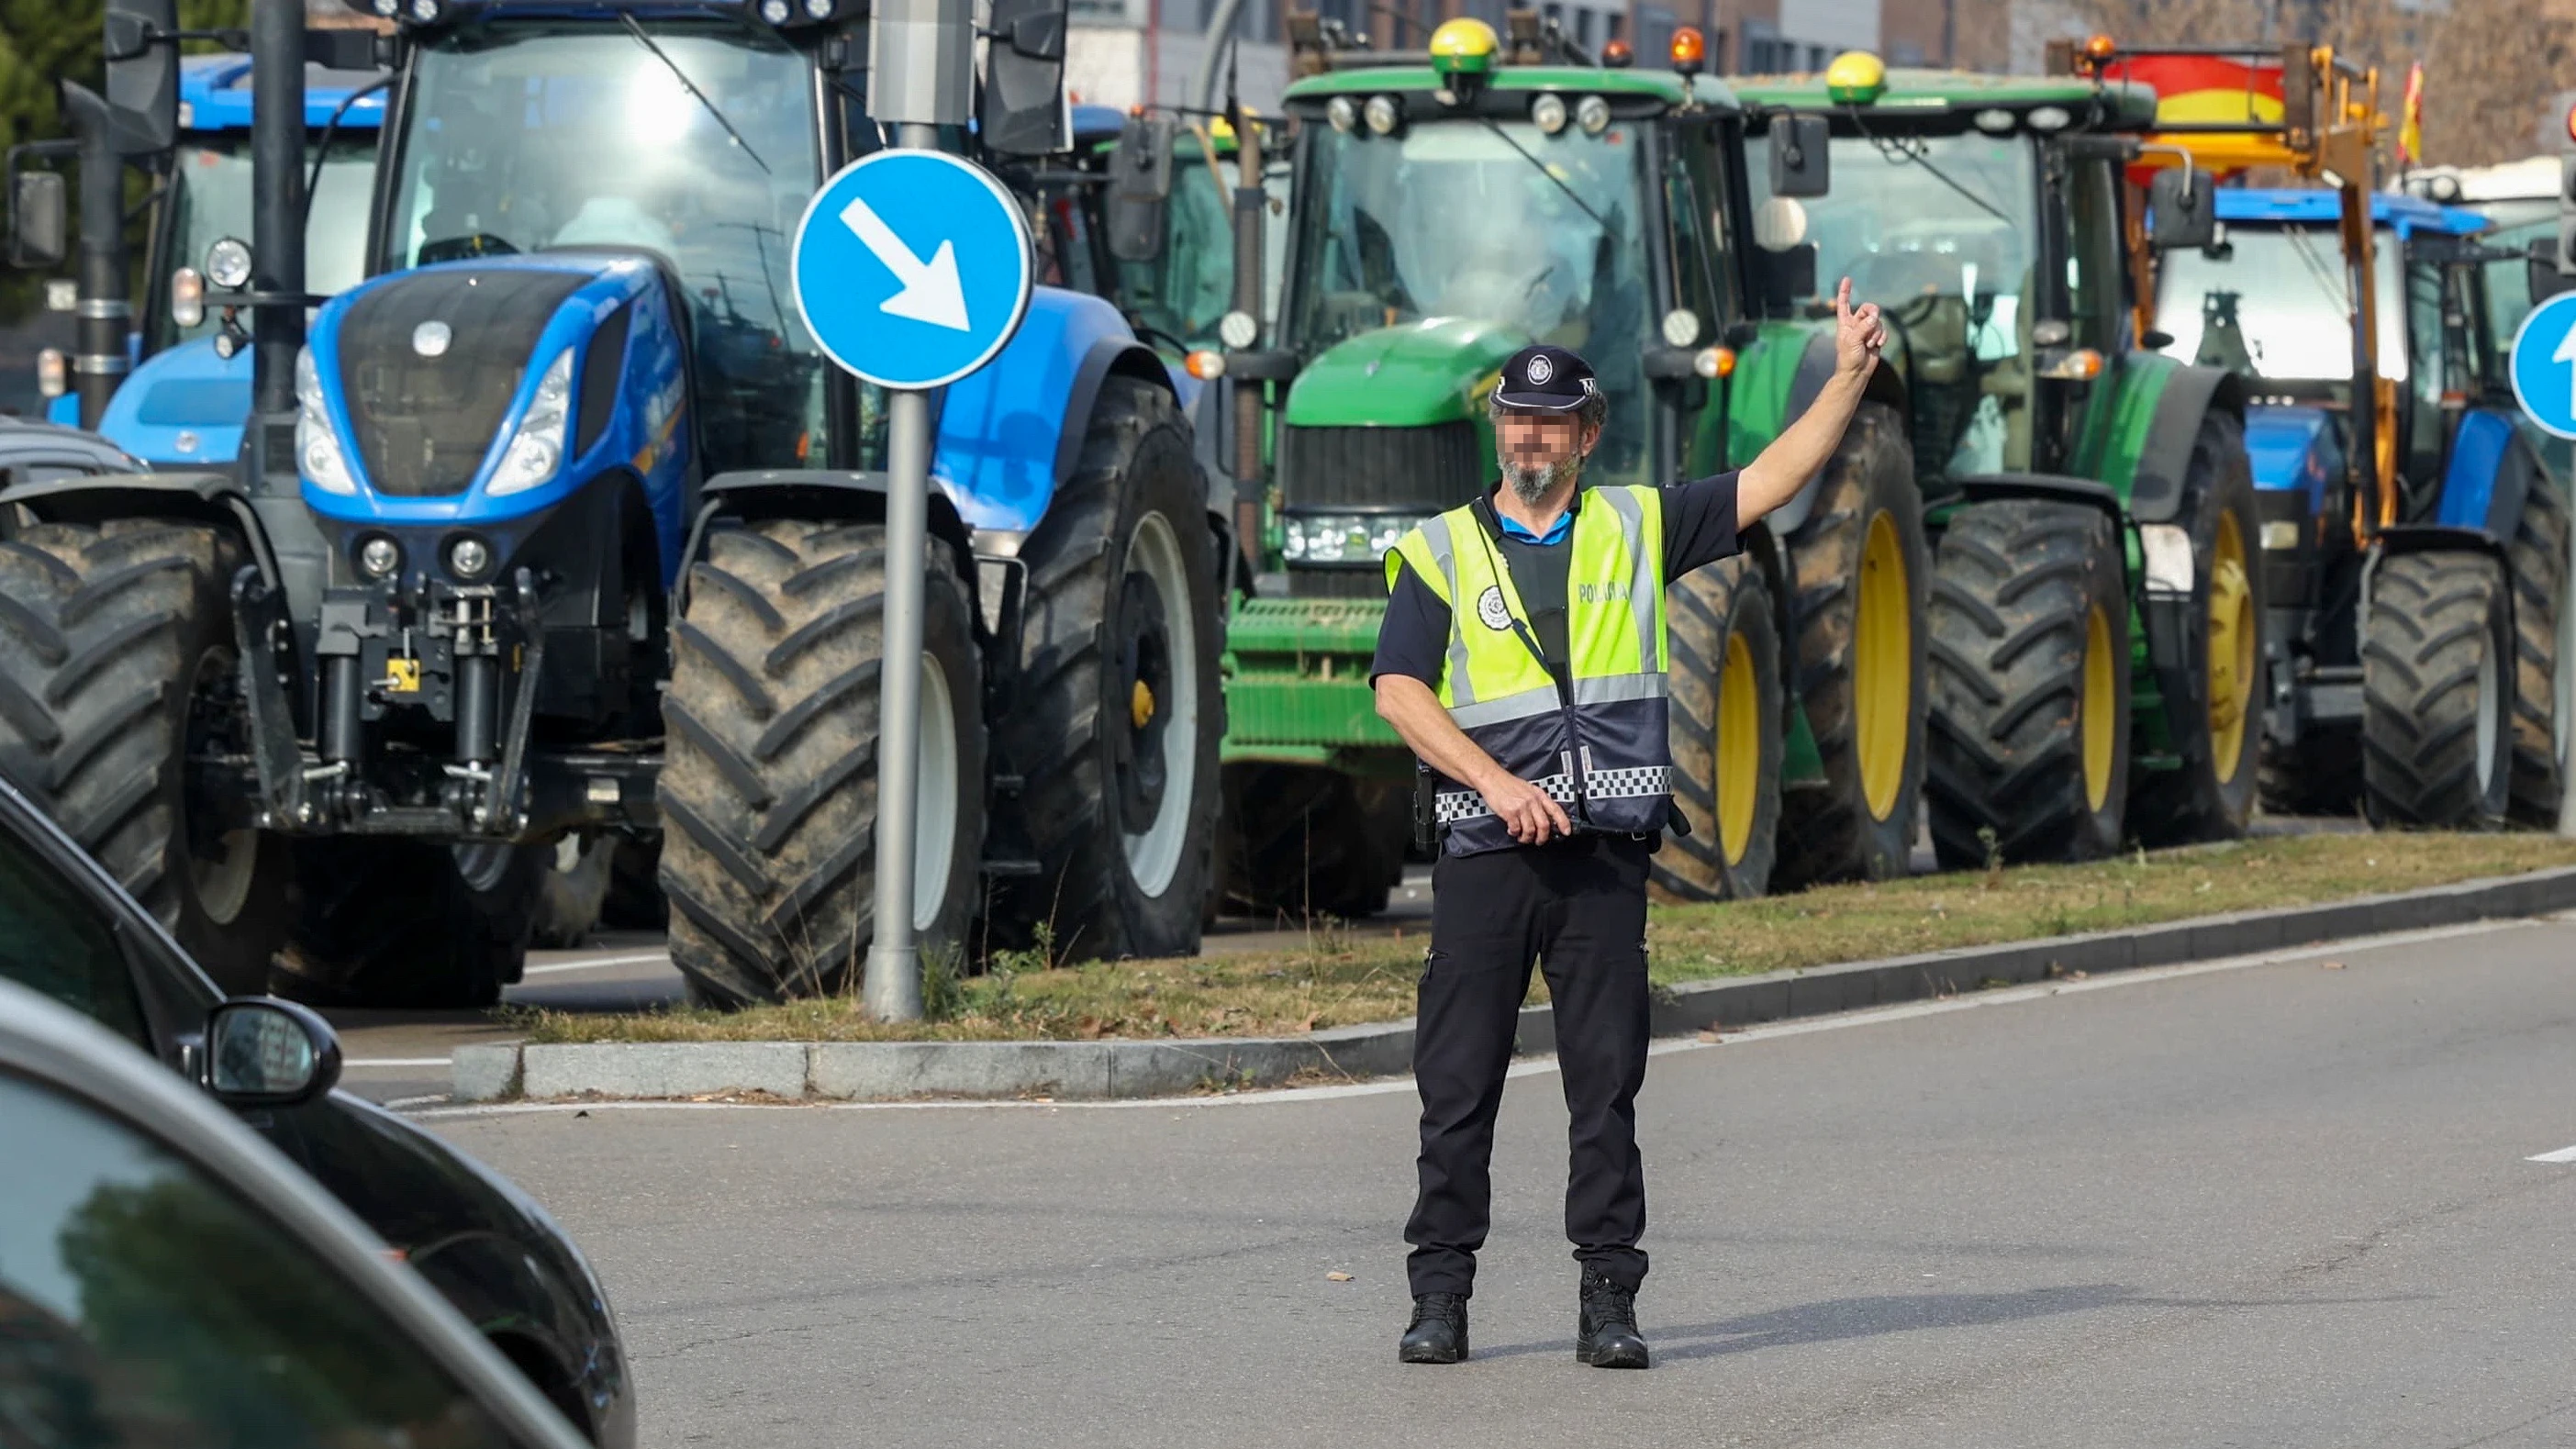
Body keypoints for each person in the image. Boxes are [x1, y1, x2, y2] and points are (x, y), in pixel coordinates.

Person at [1369, 278, 1888, 1368]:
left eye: (1552, 421)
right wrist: (1497, 784)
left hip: (1602, 860)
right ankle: (1438, 1299)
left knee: (1603, 1091)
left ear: (1586, 433)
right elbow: (1398, 692)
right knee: (1455, 1090)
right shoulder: (1438, 552)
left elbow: (1772, 478)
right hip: (1484, 853)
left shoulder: (1636, 523)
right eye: (1516, 417)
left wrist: (1844, 376)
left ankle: (1609, 1299)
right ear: (1496, 430)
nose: (1531, 435)